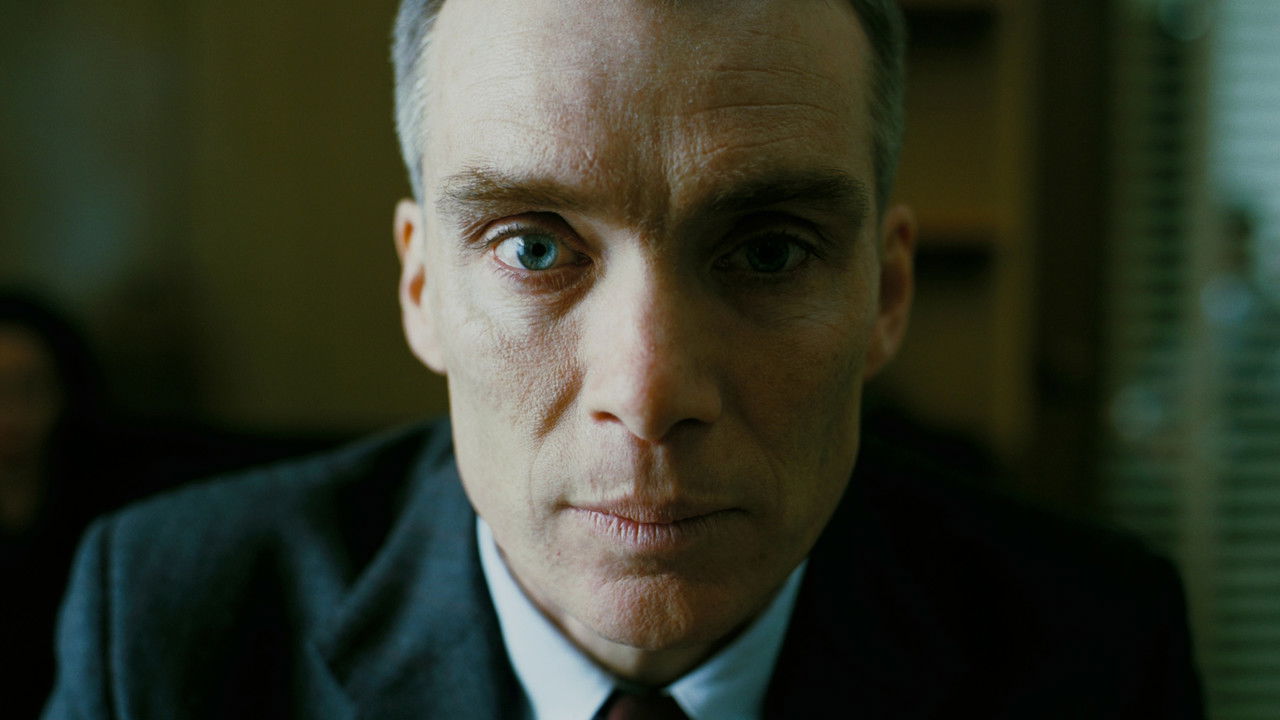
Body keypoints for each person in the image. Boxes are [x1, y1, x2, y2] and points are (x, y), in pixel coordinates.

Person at [43, 0, 1205, 718]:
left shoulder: (1091, 651)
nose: (646, 395)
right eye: (533, 247)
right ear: (421, 286)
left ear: (884, 293)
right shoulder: (167, 625)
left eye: (767, 250)